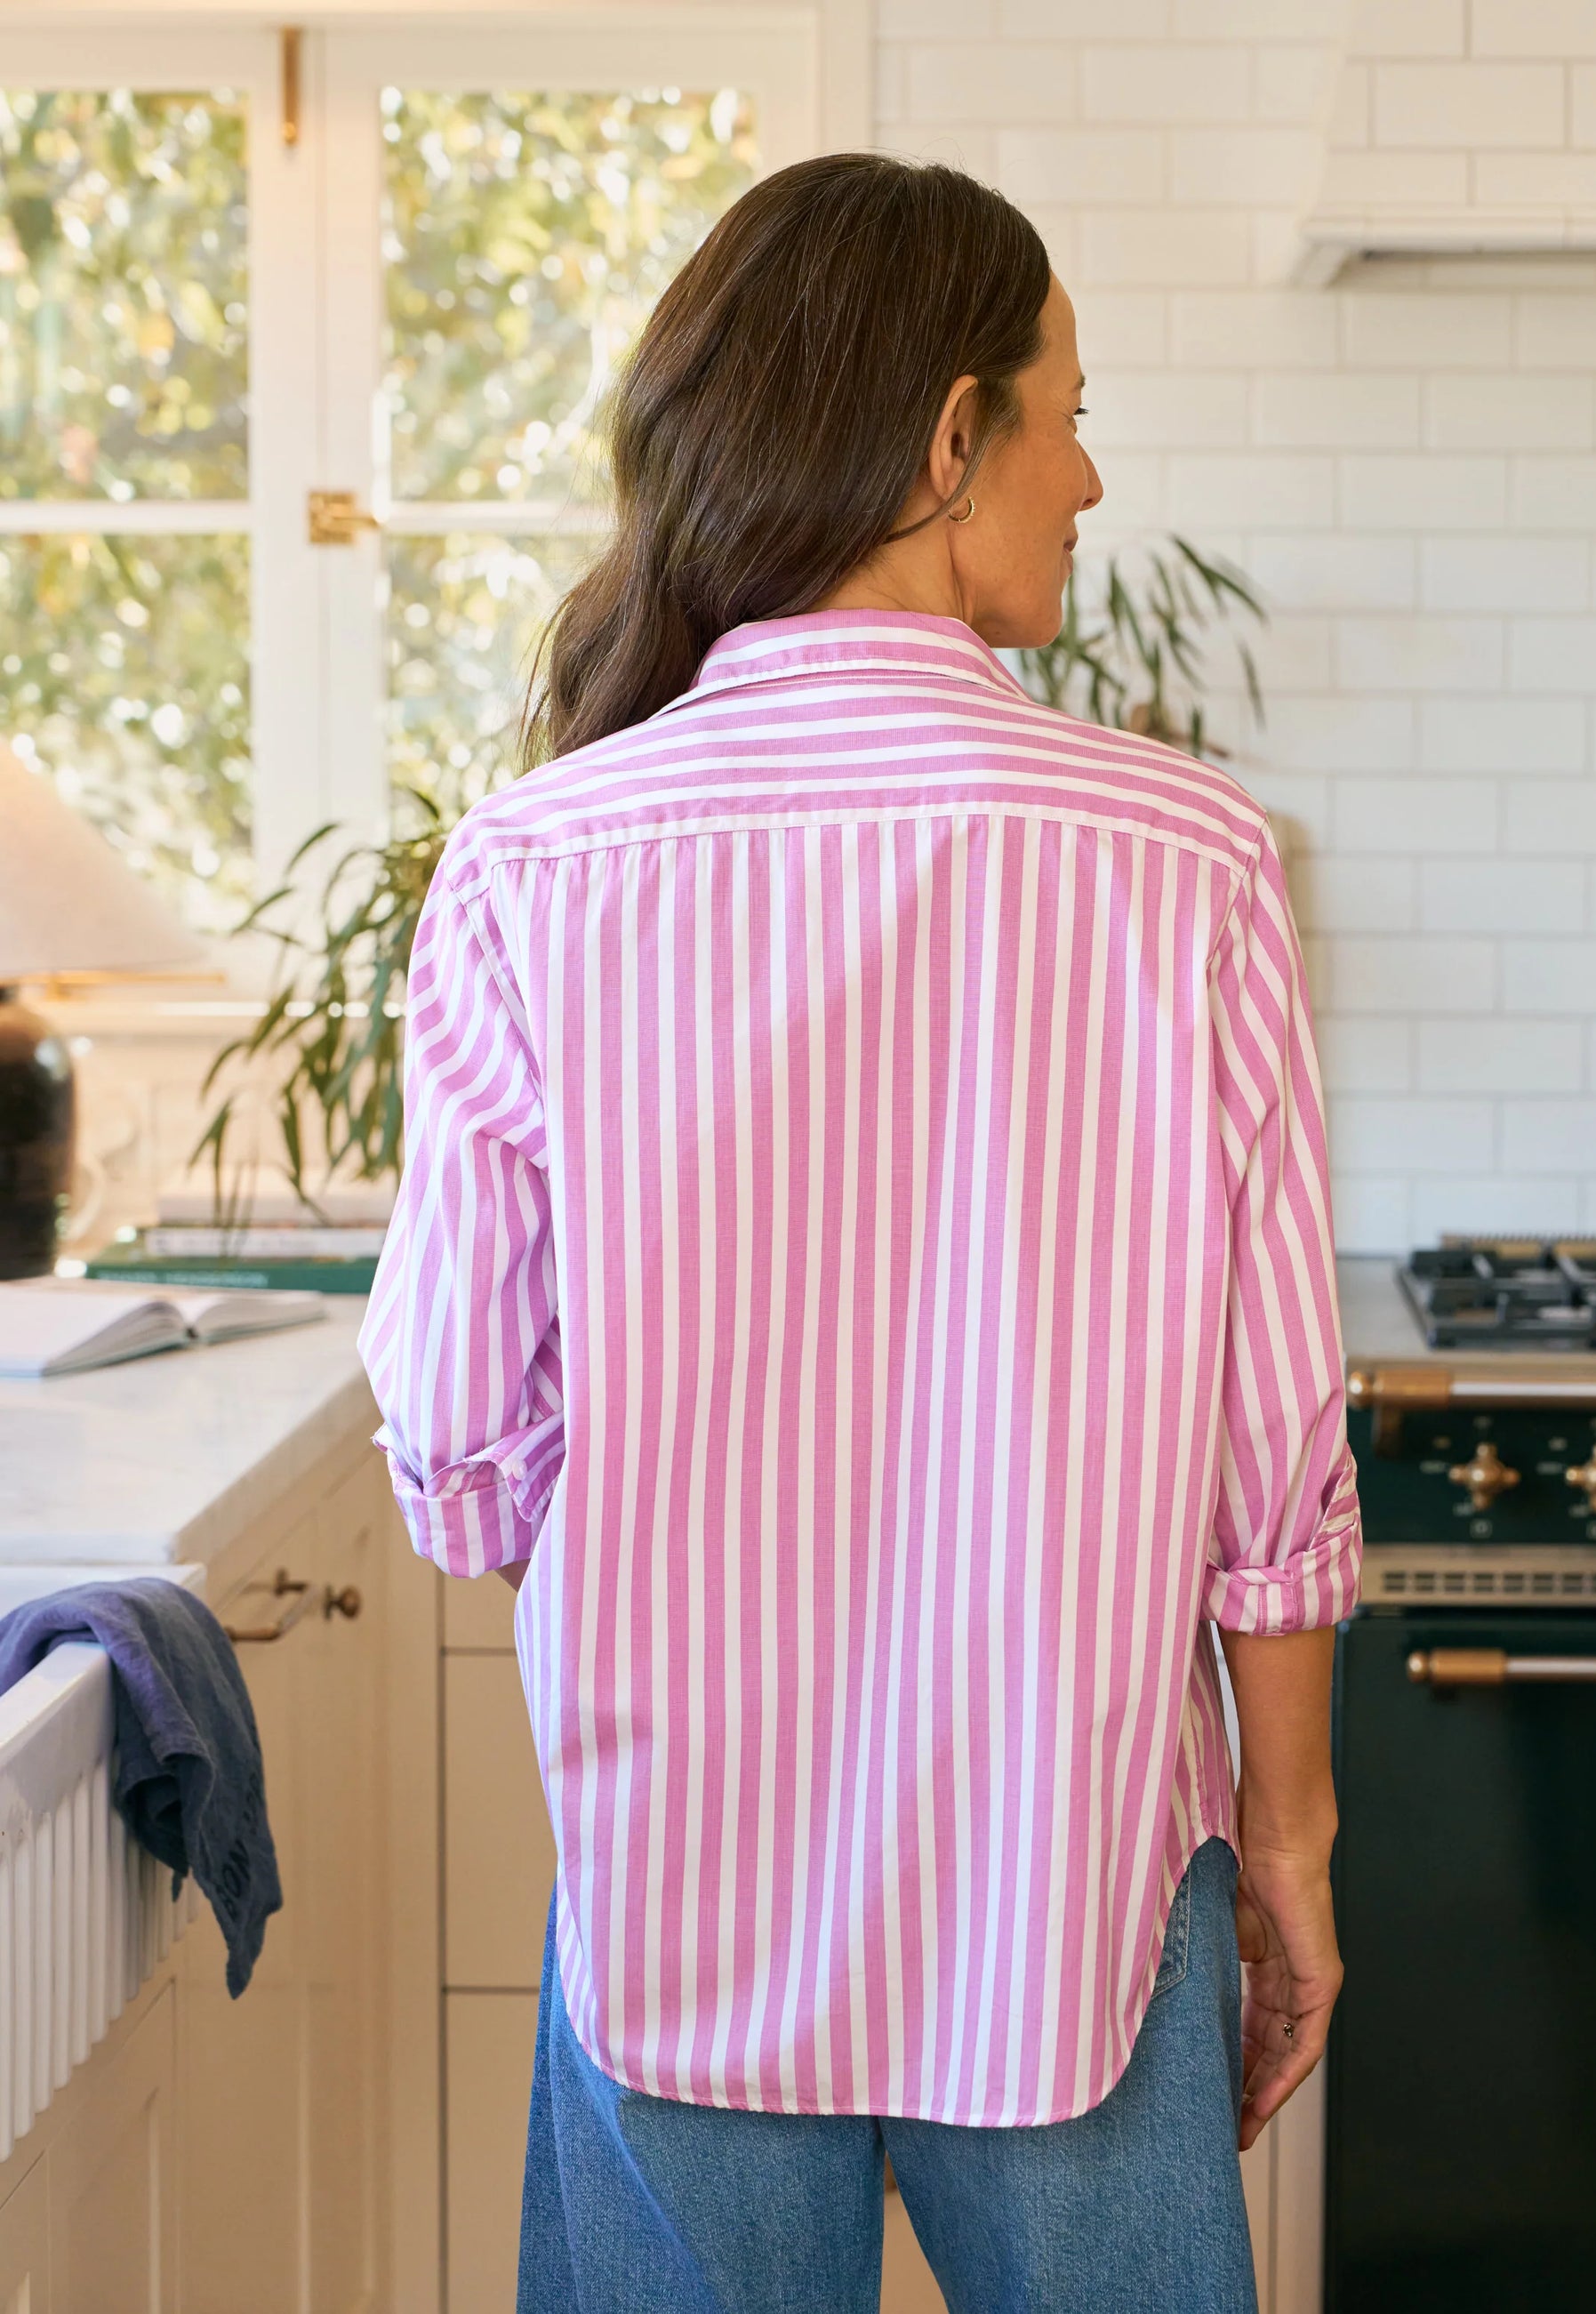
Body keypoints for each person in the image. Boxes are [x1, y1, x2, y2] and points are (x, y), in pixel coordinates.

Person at [360, 152, 1361, 2314]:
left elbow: (458, 1447)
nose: (1088, 477)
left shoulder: (535, 864)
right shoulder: (1186, 857)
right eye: (1065, 409)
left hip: (681, 1887)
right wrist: (1289, 1848)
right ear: (942, 436)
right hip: (1084, 1882)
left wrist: (714, 1611)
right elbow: (1270, 1456)